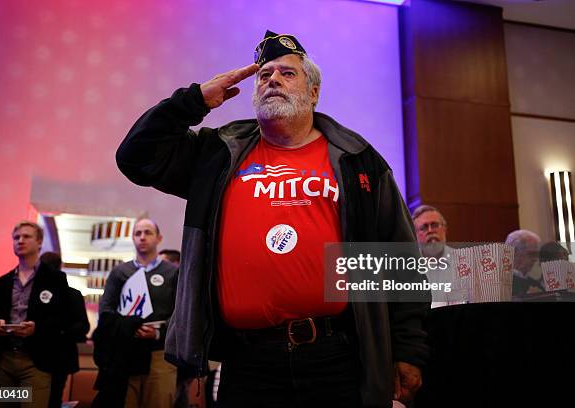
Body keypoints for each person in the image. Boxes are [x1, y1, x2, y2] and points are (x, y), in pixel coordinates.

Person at [116, 30, 429, 407]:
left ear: (313, 92)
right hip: (248, 362)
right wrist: (193, 101)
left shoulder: (356, 159)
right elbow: (135, 157)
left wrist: (408, 349)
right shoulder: (218, 154)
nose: (272, 80)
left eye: (287, 73)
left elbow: (398, 261)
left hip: (335, 356)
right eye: (264, 76)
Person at [0, 221, 70, 408]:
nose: (20, 240)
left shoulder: (55, 279)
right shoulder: (2, 282)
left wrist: (37, 329)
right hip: (4, 361)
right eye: (16, 237)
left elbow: (65, 320)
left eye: (26, 236)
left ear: (39, 242)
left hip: (36, 361)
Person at [93, 218, 178, 408]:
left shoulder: (172, 273)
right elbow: (106, 310)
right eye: (137, 233)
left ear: (159, 238)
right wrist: (125, 327)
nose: (142, 237)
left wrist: (158, 334)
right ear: (132, 238)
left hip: (160, 353)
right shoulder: (120, 272)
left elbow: (179, 314)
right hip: (126, 351)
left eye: (148, 232)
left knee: (159, 401)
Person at [39, 251, 90, 408]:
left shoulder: (36, 293)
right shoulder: (74, 295)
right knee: (54, 399)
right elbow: (83, 327)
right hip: (62, 356)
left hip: (44, 354)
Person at [412, 205, 453, 306]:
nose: (430, 230)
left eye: (434, 225)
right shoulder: (409, 267)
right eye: (424, 227)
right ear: (415, 234)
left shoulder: (462, 262)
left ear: (444, 229)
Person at [506, 229, 544, 297]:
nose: (535, 259)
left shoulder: (536, 285)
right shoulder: (498, 284)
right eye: (532, 254)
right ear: (514, 252)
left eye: (537, 254)